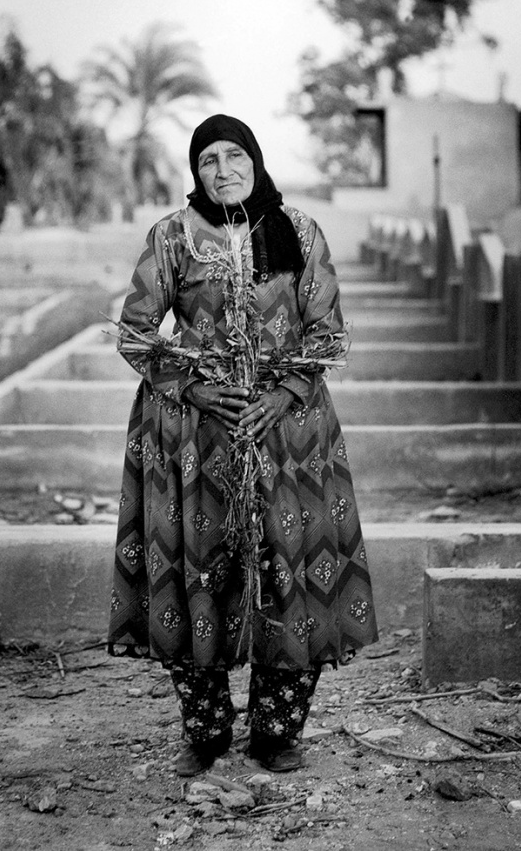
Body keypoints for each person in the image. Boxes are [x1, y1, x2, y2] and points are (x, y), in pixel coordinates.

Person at [107, 114, 377, 776]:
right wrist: (196, 389)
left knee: (293, 573)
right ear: (195, 172)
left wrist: (280, 396)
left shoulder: (300, 232)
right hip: (193, 442)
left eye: (234, 156)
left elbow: (328, 335)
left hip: (289, 435)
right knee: (196, 573)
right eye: (207, 160)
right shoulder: (172, 236)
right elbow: (136, 333)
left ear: (255, 160)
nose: (222, 170)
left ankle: (277, 734)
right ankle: (204, 733)